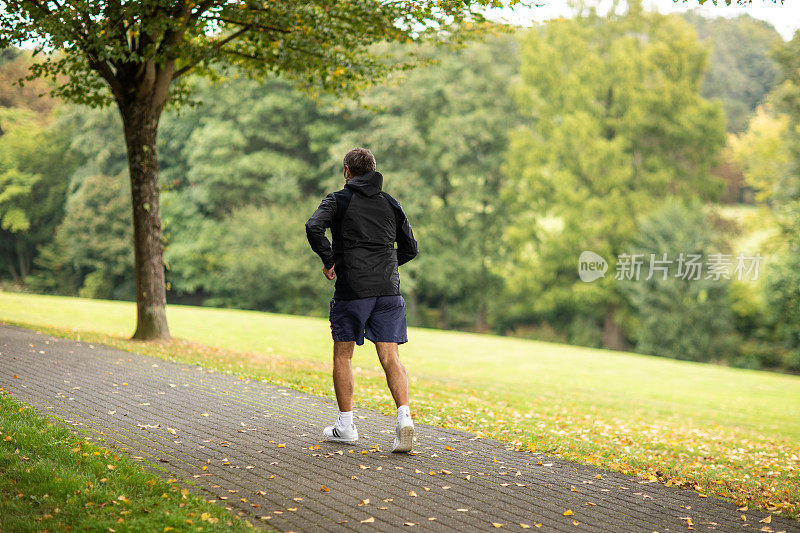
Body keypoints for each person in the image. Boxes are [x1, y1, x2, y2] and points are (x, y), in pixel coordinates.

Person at [305, 147, 418, 453]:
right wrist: (385, 266)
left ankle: (345, 427)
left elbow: (313, 226)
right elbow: (410, 247)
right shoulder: (390, 203)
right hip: (388, 291)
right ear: (374, 170)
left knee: (343, 355)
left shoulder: (338, 199)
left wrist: (330, 261)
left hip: (353, 290)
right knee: (391, 358)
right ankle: (404, 418)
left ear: (347, 171)